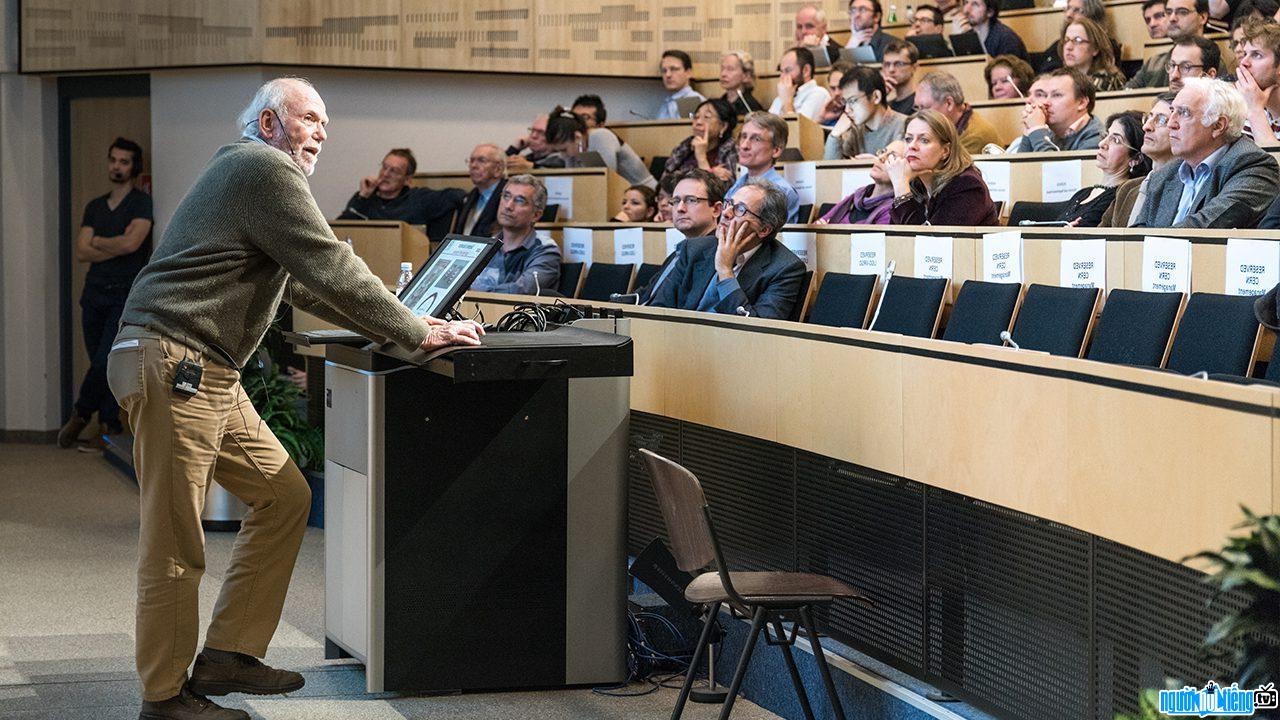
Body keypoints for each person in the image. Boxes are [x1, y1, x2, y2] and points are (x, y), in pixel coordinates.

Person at [109, 77, 484, 720]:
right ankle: (164, 698)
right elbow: (330, 266)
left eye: (325, 124)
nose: (320, 133)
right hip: (177, 365)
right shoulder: (262, 168)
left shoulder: (252, 175)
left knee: (285, 496)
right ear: (268, 124)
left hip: (205, 372)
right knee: (175, 542)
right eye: (308, 119)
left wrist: (401, 326)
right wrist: (419, 329)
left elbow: (303, 286)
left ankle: (228, 653)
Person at [58, 137, 153, 451]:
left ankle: (81, 414)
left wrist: (100, 241)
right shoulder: (95, 206)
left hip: (124, 296)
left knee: (106, 362)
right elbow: (82, 251)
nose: (117, 166)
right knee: (100, 364)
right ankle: (109, 427)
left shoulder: (141, 203)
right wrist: (110, 243)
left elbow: (131, 245)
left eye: (124, 161)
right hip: (94, 296)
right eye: (113, 159)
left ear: (134, 167)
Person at [649, 179, 806, 320]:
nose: (725, 213)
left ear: (764, 229)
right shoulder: (693, 249)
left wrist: (725, 271)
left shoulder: (785, 268)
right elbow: (658, 309)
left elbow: (758, 332)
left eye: (740, 209)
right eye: (728, 204)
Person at [1132, 77, 1279, 228]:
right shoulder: (1164, 175)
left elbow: (1203, 228)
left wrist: (1152, 246)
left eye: (1184, 113)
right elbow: (1138, 235)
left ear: (1217, 126)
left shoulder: (1255, 167)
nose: (1171, 123)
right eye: (1172, 111)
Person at [885, 109, 1000, 225]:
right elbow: (892, 239)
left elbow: (926, 241)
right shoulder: (914, 184)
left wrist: (901, 188)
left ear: (945, 150)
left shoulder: (967, 186)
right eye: (908, 139)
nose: (912, 146)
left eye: (924, 140)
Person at [633, 169, 728, 304]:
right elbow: (647, 294)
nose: (680, 208)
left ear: (717, 209)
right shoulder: (677, 253)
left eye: (691, 200)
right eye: (676, 201)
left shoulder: (716, 256)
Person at [338, 148, 465, 241]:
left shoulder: (418, 198)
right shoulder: (366, 198)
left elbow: (457, 196)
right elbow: (341, 229)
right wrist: (363, 196)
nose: (386, 174)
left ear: (407, 179)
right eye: (384, 167)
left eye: (394, 171)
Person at [1055, 111, 1152, 226]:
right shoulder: (1084, 193)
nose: (1102, 144)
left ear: (1136, 158)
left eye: (1116, 140)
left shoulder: (1120, 198)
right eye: (1106, 136)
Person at [470, 175, 561, 295]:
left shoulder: (545, 250)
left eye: (519, 200)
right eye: (506, 197)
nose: (508, 206)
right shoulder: (485, 246)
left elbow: (521, 291)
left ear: (536, 215)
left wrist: (470, 292)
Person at [1102, 93, 1178, 226]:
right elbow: (1102, 238)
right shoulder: (1127, 188)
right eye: (1148, 117)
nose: (1147, 126)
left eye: (1161, 120)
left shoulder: (1185, 188)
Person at [552, 100, 658, 188]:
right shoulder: (576, 144)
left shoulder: (600, 136)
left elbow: (607, 180)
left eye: (563, 150)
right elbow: (572, 180)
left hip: (643, 195)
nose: (562, 155)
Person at [726, 112, 802, 222]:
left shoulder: (782, 192)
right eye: (743, 137)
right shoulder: (737, 185)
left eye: (756, 139)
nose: (744, 146)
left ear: (776, 150)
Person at [823, 66, 909, 159]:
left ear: (876, 97)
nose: (847, 110)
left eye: (852, 101)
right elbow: (831, 170)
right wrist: (834, 136)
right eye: (845, 102)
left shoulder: (905, 126)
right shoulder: (855, 130)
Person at [1010, 68, 1103, 152]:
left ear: (1082, 103)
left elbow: (1054, 169)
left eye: (1057, 95)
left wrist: (1036, 129)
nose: (1046, 102)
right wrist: (1029, 129)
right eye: (1046, 95)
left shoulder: (1097, 137)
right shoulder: (1051, 133)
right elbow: (1020, 169)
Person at [816, 141, 907, 224]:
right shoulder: (857, 195)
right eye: (883, 152)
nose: (881, 158)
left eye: (892, 157)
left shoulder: (891, 211)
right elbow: (817, 228)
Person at [913, 70, 1004, 153]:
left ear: (949, 103)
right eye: (918, 108)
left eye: (925, 108)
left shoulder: (975, 136)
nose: (920, 115)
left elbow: (945, 169)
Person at [1126, 0, 1209, 88]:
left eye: (1182, 12)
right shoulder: (1154, 62)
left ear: (1203, 17)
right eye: (1168, 13)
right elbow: (1125, 95)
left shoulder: (1211, 58)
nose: (1172, 18)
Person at [662, 97, 739, 182]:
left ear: (723, 126)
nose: (698, 122)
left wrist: (701, 158)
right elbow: (665, 180)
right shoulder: (686, 145)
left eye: (706, 117)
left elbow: (725, 191)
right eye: (696, 117)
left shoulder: (732, 150)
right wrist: (712, 173)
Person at [1038, 0, 1123, 74]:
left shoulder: (1108, 46)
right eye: (1068, 8)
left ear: (1092, 14)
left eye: (1077, 10)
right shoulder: (1058, 45)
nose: (1068, 14)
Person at [1237, 19, 1280, 146]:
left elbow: (1274, 165)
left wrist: (1255, 110)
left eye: (1256, 55)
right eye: (1245, 54)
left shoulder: (1253, 109)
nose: (1244, 62)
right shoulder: (1246, 110)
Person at [1057, 17, 1126, 91]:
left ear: (1095, 48)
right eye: (1066, 40)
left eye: (1077, 40)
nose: (1068, 47)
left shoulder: (1106, 81)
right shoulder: (1061, 78)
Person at [452, 143, 506, 236]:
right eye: (471, 161)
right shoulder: (469, 197)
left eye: (481, 161)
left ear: (498, 169)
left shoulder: (508, 197)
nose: (473, 165)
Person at [768, 46, 832, 122]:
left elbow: (799, 130)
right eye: (781, 72)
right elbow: (769, 127)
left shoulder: (818, 94)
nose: (782, 77)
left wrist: (787, 103)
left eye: (787, 71)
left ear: (806, 70)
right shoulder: (781, 97)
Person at [951, 0, 1029, 60]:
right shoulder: (965, 32)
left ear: (990, 12)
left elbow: (1002, 75)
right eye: (965, 2)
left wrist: (967, 38)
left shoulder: (1006, 38)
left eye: (975, 4)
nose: (966, 10)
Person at [655, 50, 706, 119]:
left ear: (688, 73)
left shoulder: (693, 101)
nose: (668, 75)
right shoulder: (666, 102)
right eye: (664, 71)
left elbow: (689, 129)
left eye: (674, 69)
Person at [882, 39, 921, 114]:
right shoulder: (886, 105)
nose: (891, 69)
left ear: (914, 68)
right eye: (887, 64)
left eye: (898, 64)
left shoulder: (919, 104)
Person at [817, 60, 857, 126]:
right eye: (833, 88)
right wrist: (821, 118)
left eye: (841, 87)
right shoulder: (829, 117)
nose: (836, 93)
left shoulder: (861, 116)